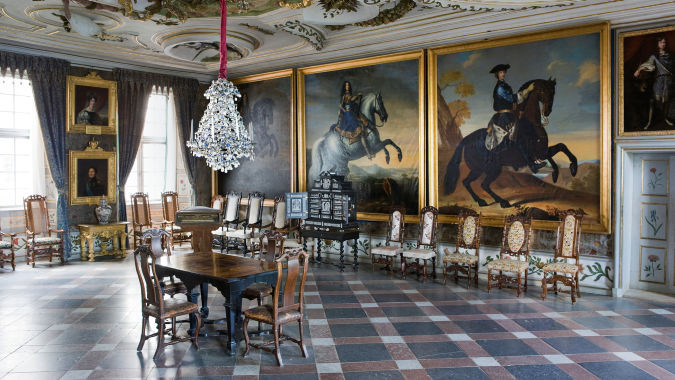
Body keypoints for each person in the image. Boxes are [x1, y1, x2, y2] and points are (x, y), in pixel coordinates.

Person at [485, 64, 543, 173]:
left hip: (510, 115)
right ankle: (532, 165)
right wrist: (527, 91)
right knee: (519, 137)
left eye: (504, 72)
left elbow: (514, 100)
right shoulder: (500, 87)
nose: (503, 74)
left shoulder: (505, 85)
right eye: (501, 72)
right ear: (497, 75)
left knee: (528, 124)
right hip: (503, 117)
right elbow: (512, 98)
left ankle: (536, 155)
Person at [634, 35, 674, 129]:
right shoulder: (654, 56)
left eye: (664, 42)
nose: (663, 44)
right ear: (658, 44)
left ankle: (665, 118)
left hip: (668, 82)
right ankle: (649, 122)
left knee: (666, 102)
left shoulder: (671, 55)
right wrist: (639, 70)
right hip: (658, 81)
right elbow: (648, 65)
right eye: (661, 42)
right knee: (655, 101)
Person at [333, 81, 374, 159]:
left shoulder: (350, 95)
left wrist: (358, 96)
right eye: (346, 85)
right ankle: (368, 153)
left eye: (348, 85)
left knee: (362, 123)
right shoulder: (345, 96)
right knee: (360, 129)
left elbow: (353, 101)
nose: (347, 87)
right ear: (344, 87)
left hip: (351, 113)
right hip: (347, 114)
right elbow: (346, 103)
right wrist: (357, 95)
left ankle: (368, 152)